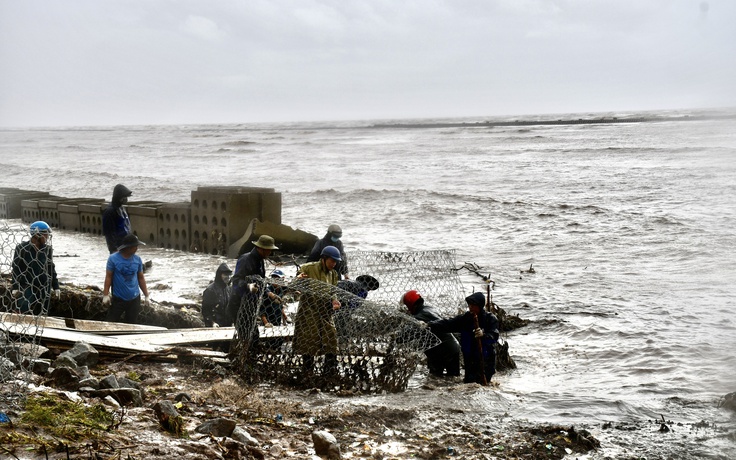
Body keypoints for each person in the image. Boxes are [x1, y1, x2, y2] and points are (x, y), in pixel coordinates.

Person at [291, 245, 342, 379]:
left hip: (326, 313)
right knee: (309, 344)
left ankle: (329, 374)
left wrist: (335, 301)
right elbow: (294, 283)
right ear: (324, 259)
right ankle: (307, 374)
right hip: (309, 312)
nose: (334, 264)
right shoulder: (308, 268)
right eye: (332, 261)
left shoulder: (333, 274)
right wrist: (299, 279)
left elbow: (333, 292)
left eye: (336, 261)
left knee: (332, 342)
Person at [428, 292, 499, 384]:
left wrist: (484, 335)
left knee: (483, 383)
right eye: (469, 305)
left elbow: (494, 335)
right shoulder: (466, 318)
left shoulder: (490, 319)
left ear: (480, 306)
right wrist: (430, 325)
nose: (470, 307)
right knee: (470, 384)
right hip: (469, 359)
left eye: (473, 305)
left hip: (485, 359)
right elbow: (449, 324)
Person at [227, 234, 279, 350]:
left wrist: (269, 293)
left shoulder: (260, 261)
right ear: (261, 248)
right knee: (246, 337)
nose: (270, 253)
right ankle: (243, 360)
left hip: (250, 305)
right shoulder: (245, 259)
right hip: (238, 305)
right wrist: (248, 286)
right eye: (269, 250)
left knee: (254, 337)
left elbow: (261, 282)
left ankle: (248, 358)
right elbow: (235, 281)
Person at [401, 290, 461, 378]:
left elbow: (406, 335)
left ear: (410, 305)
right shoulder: (429, 308)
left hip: (440, 352)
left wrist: (397, 337)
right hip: (453, 347)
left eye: (407, 306)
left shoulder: (420, 316)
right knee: (453, 379)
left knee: (434, 378)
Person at [11, 221, 60, 315]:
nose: (47, 237)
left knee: (43, 312)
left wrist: (56, 286)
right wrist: (15, 286)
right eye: (45, 234)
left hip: (44, 287)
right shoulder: (21, 249)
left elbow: (51, 269)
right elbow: (16, 269)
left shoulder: (47, 250)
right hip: (27, 286)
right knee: (23, 308)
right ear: (37, 234)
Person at [102, 233, 150, 324]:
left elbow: (141, 278)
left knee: (131, 324)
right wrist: (105, 294)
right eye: (135, 246)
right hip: (118, 298)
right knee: (110, 323)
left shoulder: (138, 260)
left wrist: (146, 295)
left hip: (134, 298)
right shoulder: (113, 259)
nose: (137, 248)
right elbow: (108, 276)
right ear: (129, 247)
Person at [102, 184, 133, 254]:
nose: (126, 199)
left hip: (126, 245)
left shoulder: (121, 209)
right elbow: (109, 233)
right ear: (119, 197)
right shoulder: (109, 211)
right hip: (118, 246)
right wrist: (113, 249)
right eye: (124, 197)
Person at [201, 263, 233, 327]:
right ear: (219, 275)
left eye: (229, 275)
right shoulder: (210, 290)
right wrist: (212, 323)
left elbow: (231, 308)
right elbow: (205, 310)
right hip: (215, 324)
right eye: (225, 275)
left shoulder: (229, 289)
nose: (228, 277)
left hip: (227, 323)